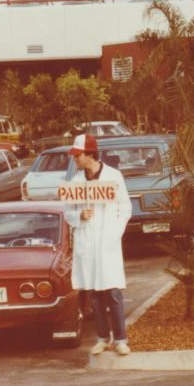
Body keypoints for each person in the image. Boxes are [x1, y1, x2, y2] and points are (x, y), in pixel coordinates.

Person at [64, 134, 133, 354]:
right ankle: (103, 337)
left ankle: (120, 339)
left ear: (90, 154)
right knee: (94, 293)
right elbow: (67, 212)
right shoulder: (75, 182)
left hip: (108, 241)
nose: (75, 159)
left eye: (78, 155)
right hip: (88, 242)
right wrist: (79, 216)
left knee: (112, 291)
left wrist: (116, 232)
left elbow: (125, 208)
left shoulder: (114, 176)